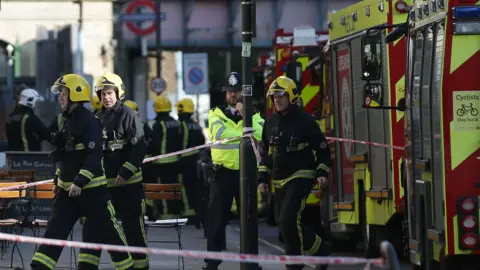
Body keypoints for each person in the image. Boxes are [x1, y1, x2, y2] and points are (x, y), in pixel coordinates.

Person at [30, 74, 134, 270]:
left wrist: (79, 182)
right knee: (54, 232)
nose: (60, 97)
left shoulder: (90, 121)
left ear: (75, 94)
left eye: (63, 92)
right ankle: (39, 267)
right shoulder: (67, 120)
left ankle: (127, 268)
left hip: (92, 192)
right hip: (67, 192)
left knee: (110, 234)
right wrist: (59, 177)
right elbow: (68, 153)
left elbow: (94, 157)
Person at [257, 76, 332, 270]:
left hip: (302, 174)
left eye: (281, 95)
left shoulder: (306, 122)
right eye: (274, 97)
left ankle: (294, 264)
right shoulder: (270, 123)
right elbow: (266, 155)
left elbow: (323, 150)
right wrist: (262, 179)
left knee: (288, 218)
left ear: (291, 96)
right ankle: (320, 249)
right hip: (280, 180)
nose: (277, 100)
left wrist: (322, 172)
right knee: (284, 226)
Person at [78, 72, 149, 270]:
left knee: (133, 230)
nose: (106, 97)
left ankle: (140, 267)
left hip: (128, 187)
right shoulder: (96, 118)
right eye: (102, 93)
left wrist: (125, 172)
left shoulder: (129, 115)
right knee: (92, 230)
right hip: (102, 188)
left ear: (118, 93)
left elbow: (140, 148)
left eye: (110, 93)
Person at [203, 72, 264, 270]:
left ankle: (250, 264)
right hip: (223, 174)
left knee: (249, 221)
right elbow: (221, 134)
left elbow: (263, 133)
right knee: (216, 221)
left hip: (246, 174)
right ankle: (211, 263)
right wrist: (246, 132)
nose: (233, 95)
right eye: (229, 92)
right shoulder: (216, 113)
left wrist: (246, 115)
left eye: (236, 91)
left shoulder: (252, 113)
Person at [146, 95, 183, 219]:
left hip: (161, 163)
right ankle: (175, 212)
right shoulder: (175, 122)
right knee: (173, 188)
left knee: (162, 189)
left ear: (156, 108)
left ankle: (165, 214)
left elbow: (155, 143)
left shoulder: (159, 124)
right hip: (176, 162)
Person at [175, 98, 206, 228]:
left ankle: (189, 215)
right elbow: (202, 142)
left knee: (185, 188)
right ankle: (197, 215)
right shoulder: (197, 126)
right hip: (196, 162)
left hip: (183, 162)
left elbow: (176, 144)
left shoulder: (181, 126)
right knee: (196, 189)